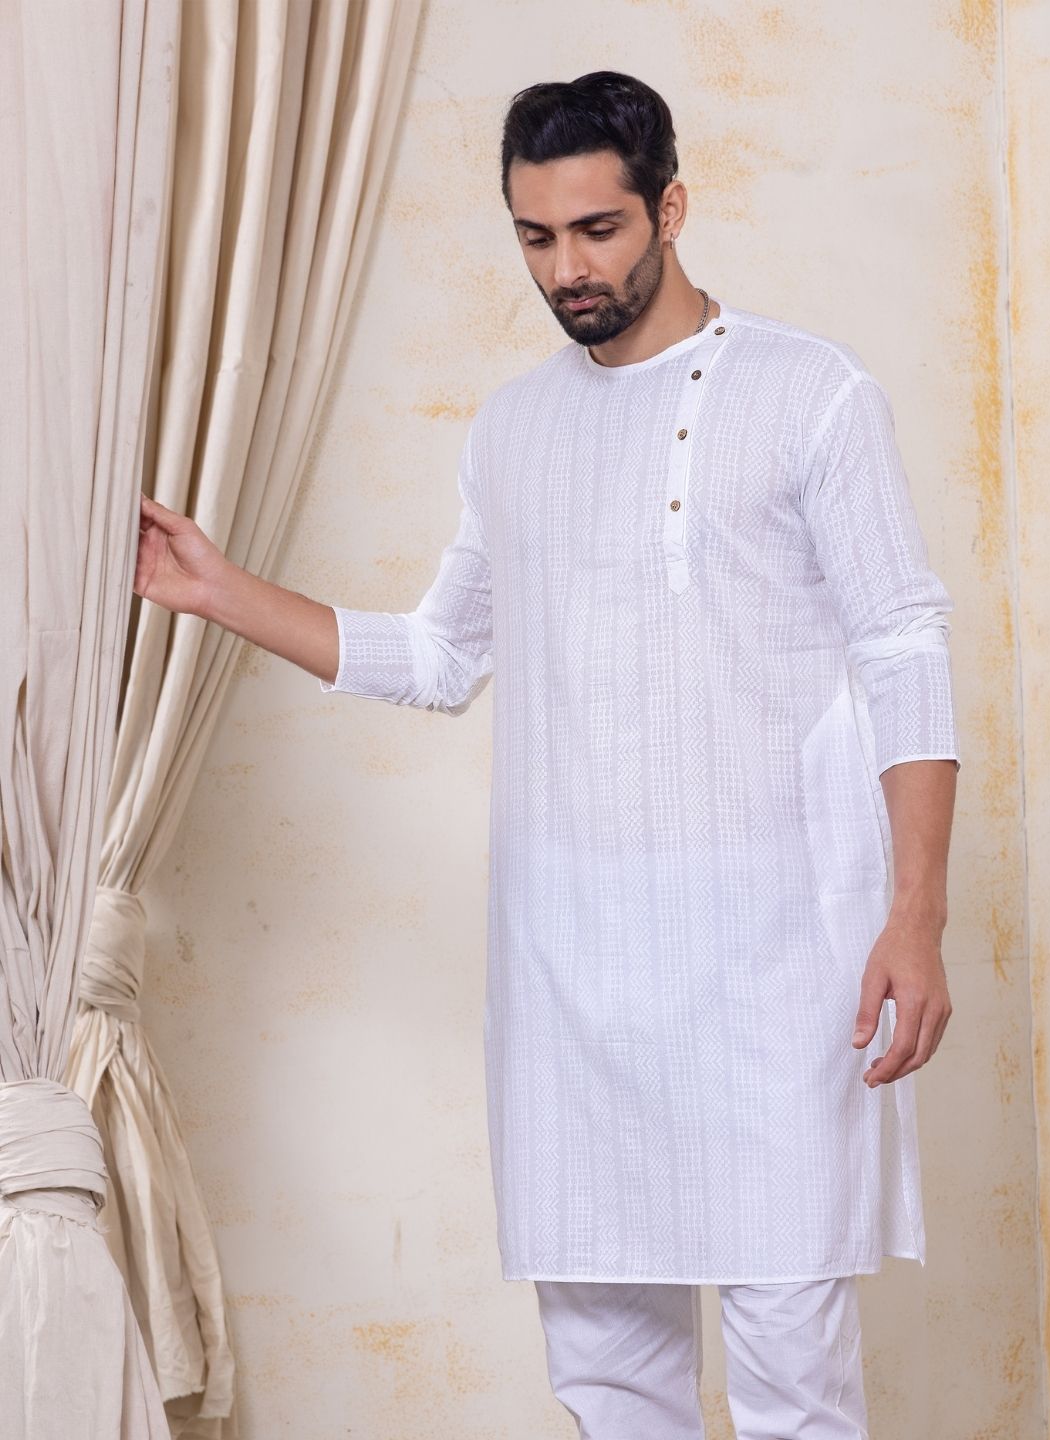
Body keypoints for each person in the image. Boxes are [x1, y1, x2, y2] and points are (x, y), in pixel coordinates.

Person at [135, 69, 960, 1440]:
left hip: (779, 978)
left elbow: (903, 649)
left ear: (670, 210)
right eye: (535, 237)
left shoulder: (812, 396)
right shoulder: (514, 430)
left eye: (597, 230)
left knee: (795, 1386)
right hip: (573, 991)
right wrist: (220, 590)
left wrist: (916, 918)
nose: (567, 268)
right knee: (610, 1391)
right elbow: (438, 654)